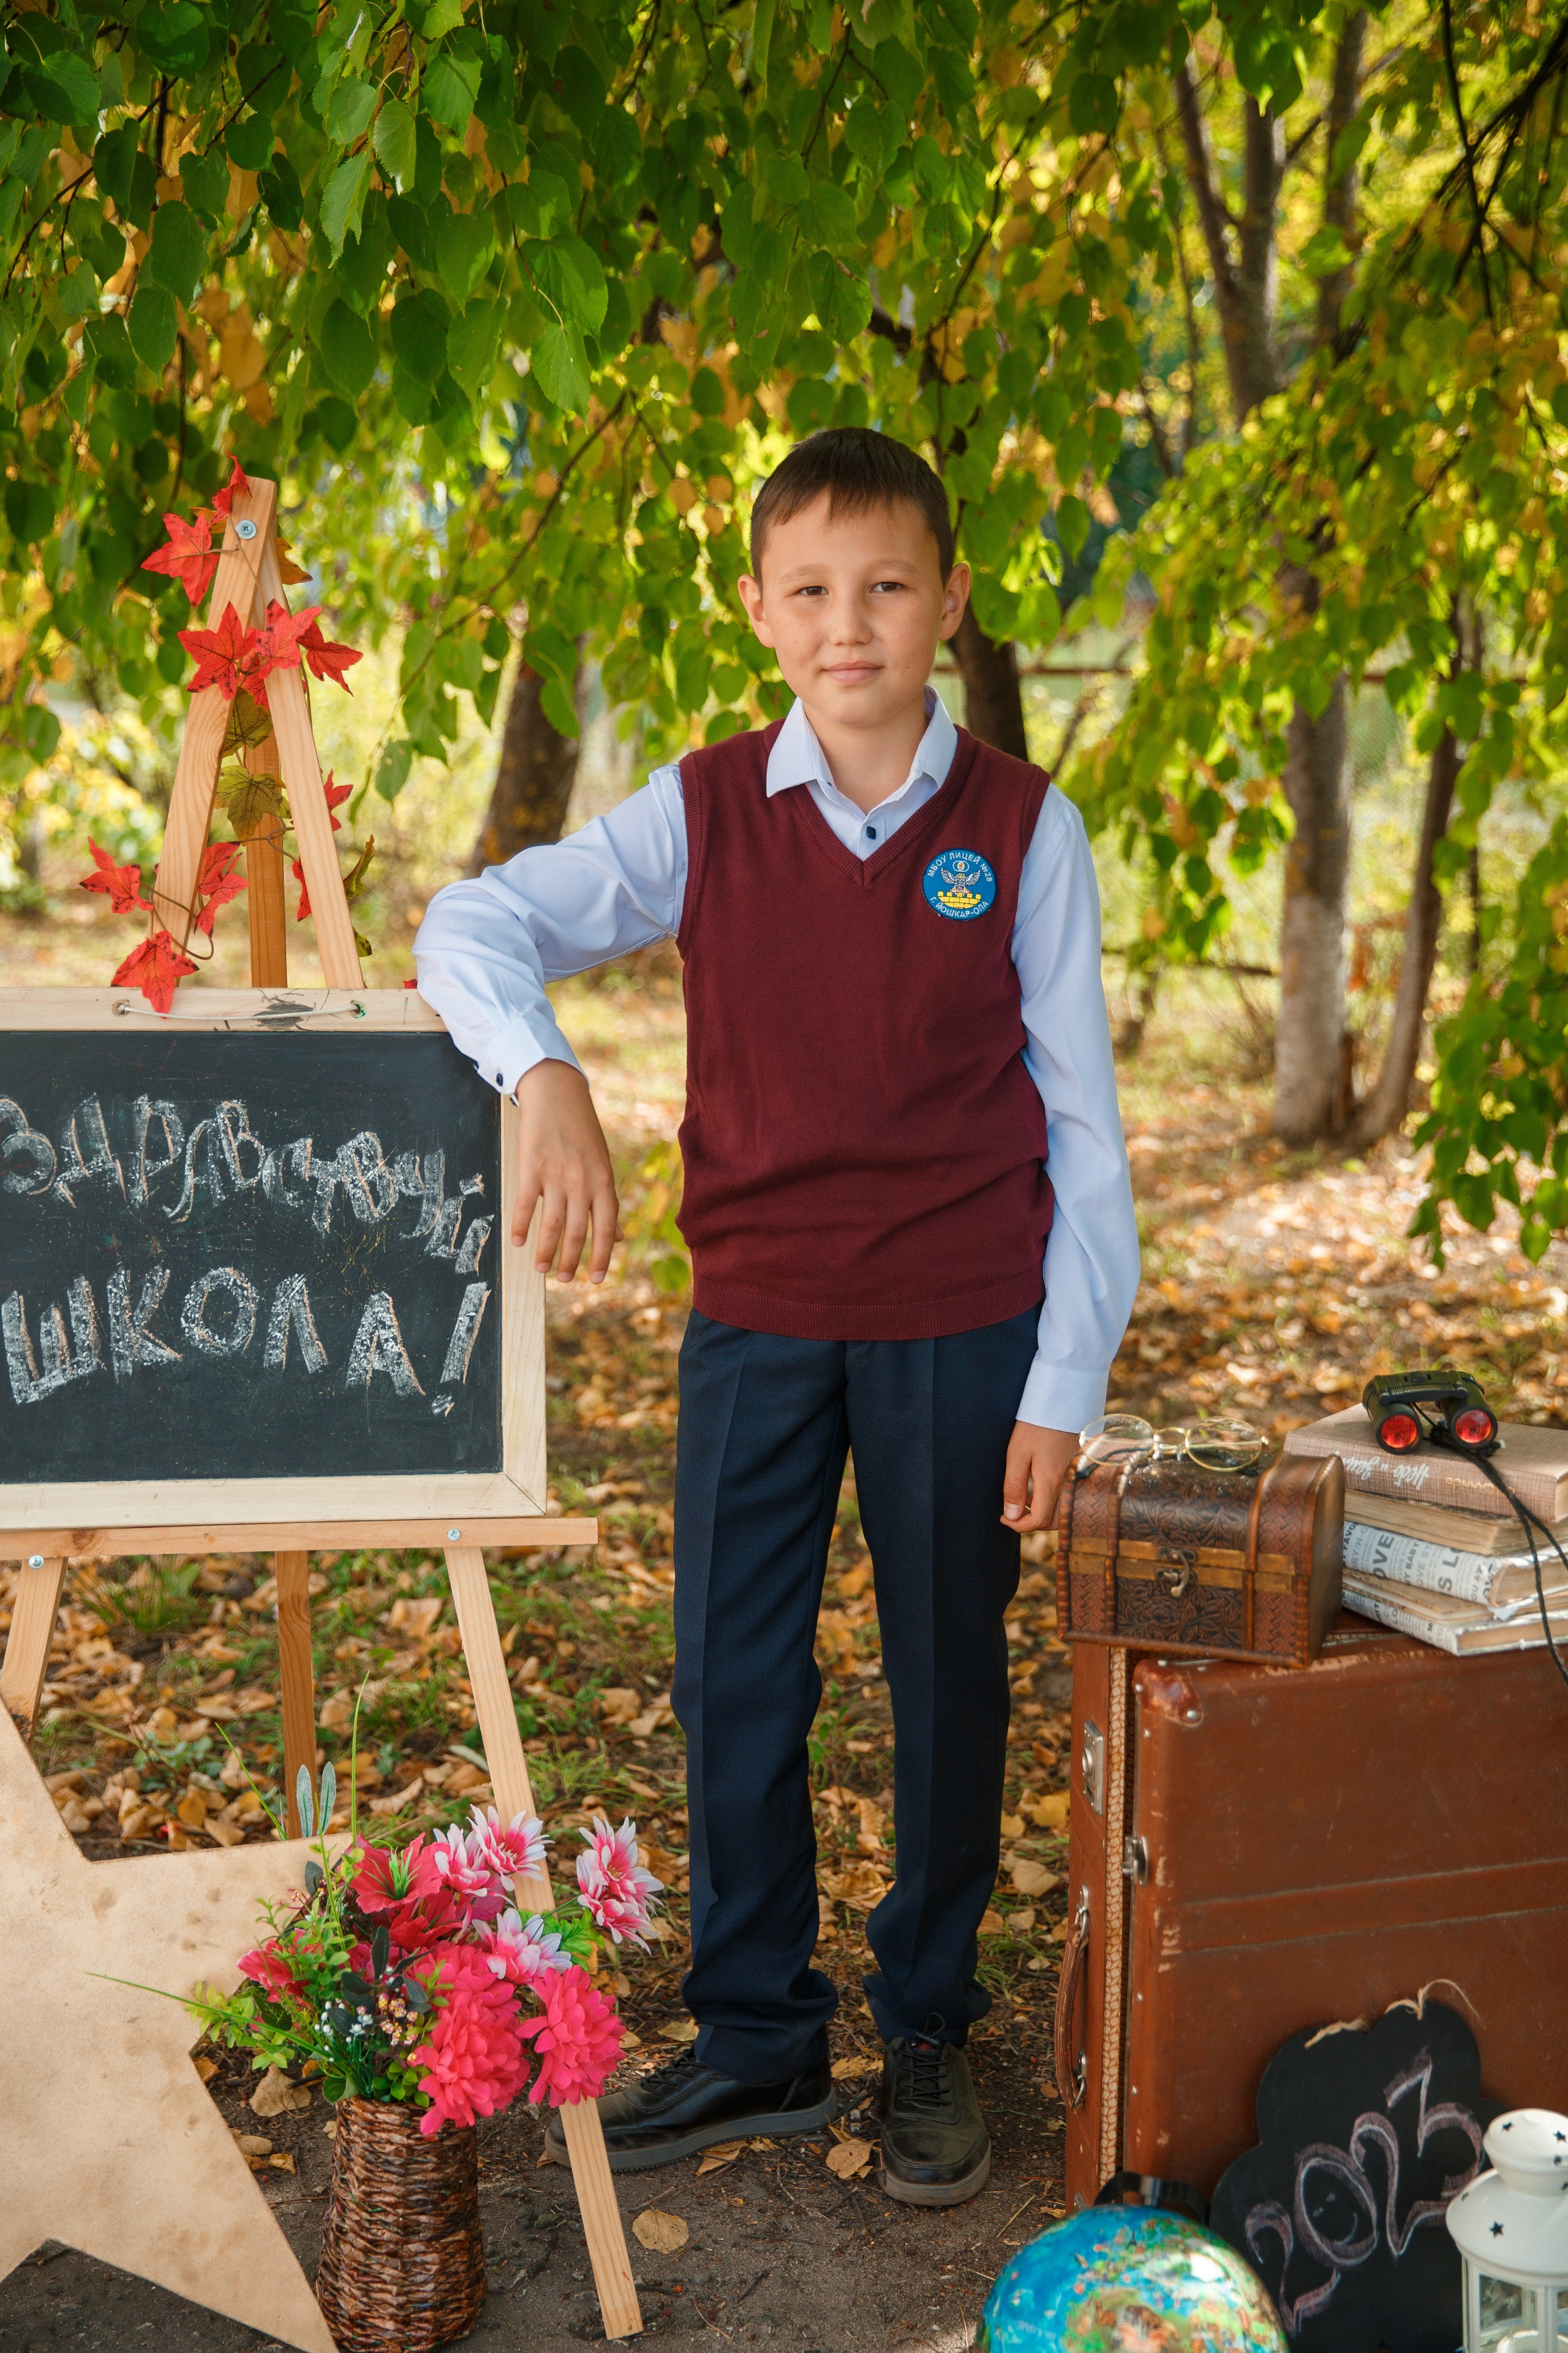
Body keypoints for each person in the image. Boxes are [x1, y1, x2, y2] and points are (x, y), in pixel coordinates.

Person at [413, 426, 1139, 2206]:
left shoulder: (1022, 829)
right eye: (810, 589)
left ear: (949, 601)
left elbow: (1084, 1127)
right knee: (734, 1673)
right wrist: (544, 1073)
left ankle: (930, 2024)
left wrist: (1065, 1380)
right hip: (757, 1317)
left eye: (886, 585)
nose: (849, 623)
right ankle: (757, 2031)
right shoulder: (705, 810)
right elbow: (473, 921)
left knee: (947, 1678)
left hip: (964, 1323)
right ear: (759, 609)